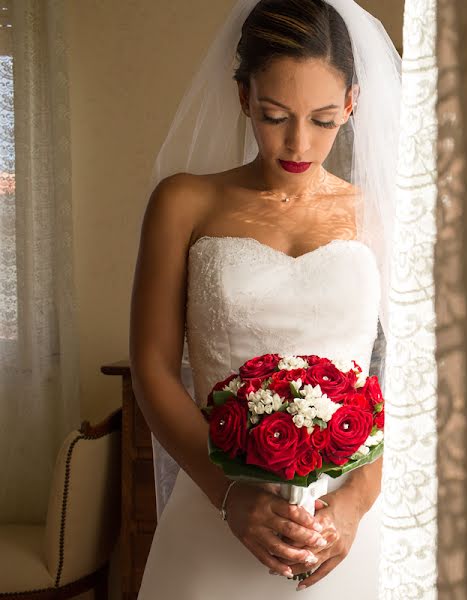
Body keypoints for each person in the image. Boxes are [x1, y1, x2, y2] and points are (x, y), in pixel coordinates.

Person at [129, 0, 399, 597]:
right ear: (244, 97)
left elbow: (425, 383)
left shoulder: (378, 217)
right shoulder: (183, 203)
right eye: (276, 115)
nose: (299, 143)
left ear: (353, 104)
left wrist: (354, 505)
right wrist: (232, 496)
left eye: (324, 119)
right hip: (216, 507)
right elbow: (151, 367)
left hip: (344, 531)